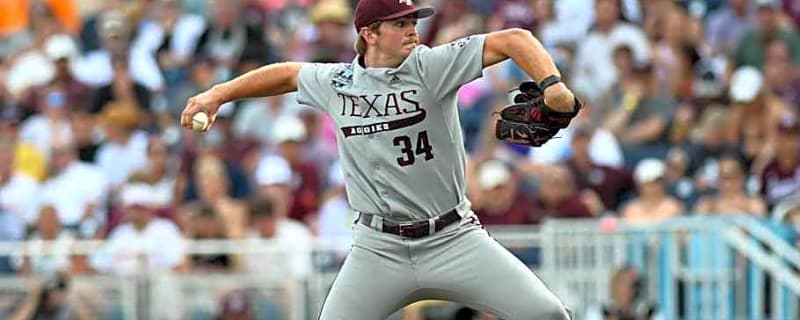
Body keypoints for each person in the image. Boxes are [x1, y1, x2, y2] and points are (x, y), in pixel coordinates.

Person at [180, 0, 580, 319]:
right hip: (378, 248)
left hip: (453, 238)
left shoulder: (430, 66)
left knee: (546, 314)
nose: (412, 30)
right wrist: (218, 94)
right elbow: (286, 74)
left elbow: (514, 38)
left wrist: (554, 86)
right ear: (369, 34)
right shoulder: (338, 82)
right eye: (400, 24)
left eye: (412, 21)